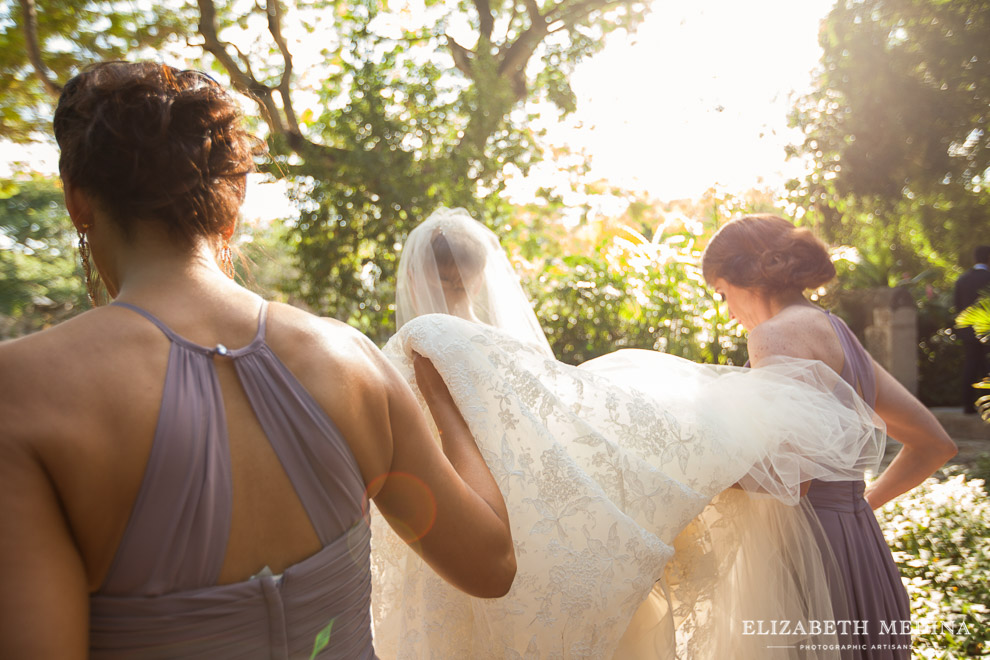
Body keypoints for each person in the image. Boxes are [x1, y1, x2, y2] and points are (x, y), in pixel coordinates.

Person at [0, 62, 515, 659]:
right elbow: (491, 564)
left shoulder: (22, 394)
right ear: (234, 198)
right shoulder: (349, 361)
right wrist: (449, 403)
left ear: (77, 201)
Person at [371, 208, 886, 659]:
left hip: (445, 520)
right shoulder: (506, 351)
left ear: (413, 278)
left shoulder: (405, 352)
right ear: (481, 278)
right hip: (517, 525)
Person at [702, 214, 958, 659]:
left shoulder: (774, 335)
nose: (727, 310)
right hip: (861, 550)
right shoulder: (835, 332)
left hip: (809, 562)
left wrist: (682, 474)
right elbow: (935, 444)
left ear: (748, 275)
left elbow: (789, 481)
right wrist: (856, 507)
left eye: (723, 293)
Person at [953, 245, 990, 414]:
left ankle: (967, 405)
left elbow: (958, 307)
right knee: (987, 367)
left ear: (975, 259)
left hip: (968, 331)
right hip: (987, 330)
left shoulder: (962, 280)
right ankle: (986, 405)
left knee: (970, 365)